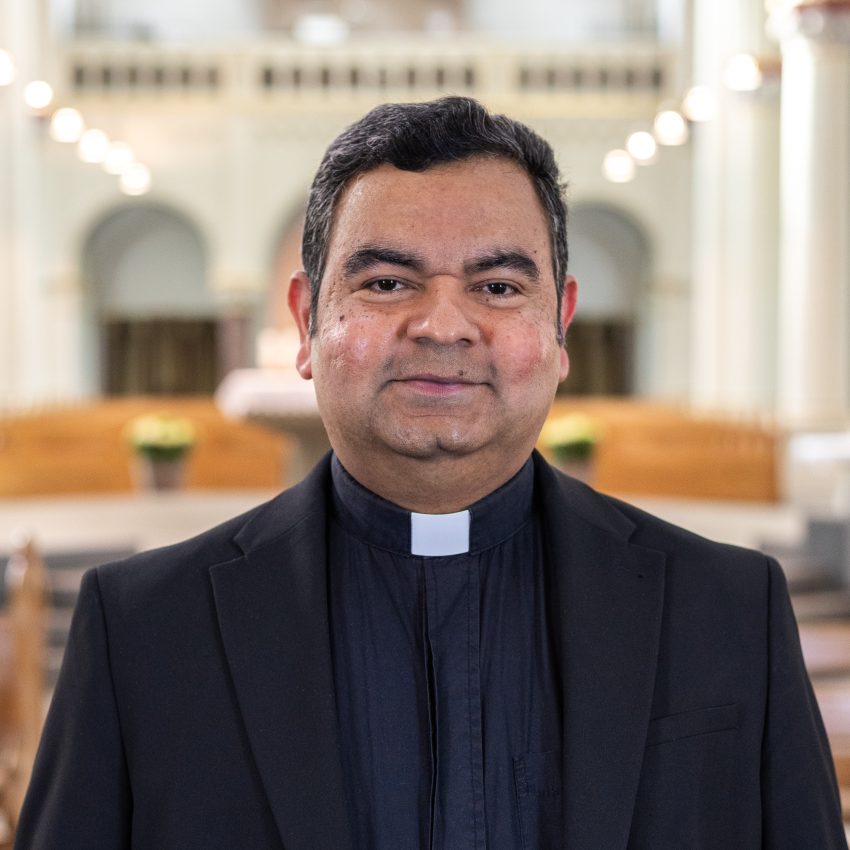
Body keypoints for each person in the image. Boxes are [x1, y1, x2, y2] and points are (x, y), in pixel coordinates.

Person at [16, 97, 846, 849]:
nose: (443, 326)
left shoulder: (729, 611)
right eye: (386, 282)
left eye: (498, 285)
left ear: (560, 326)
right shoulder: (142, 630)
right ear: (307, 323)